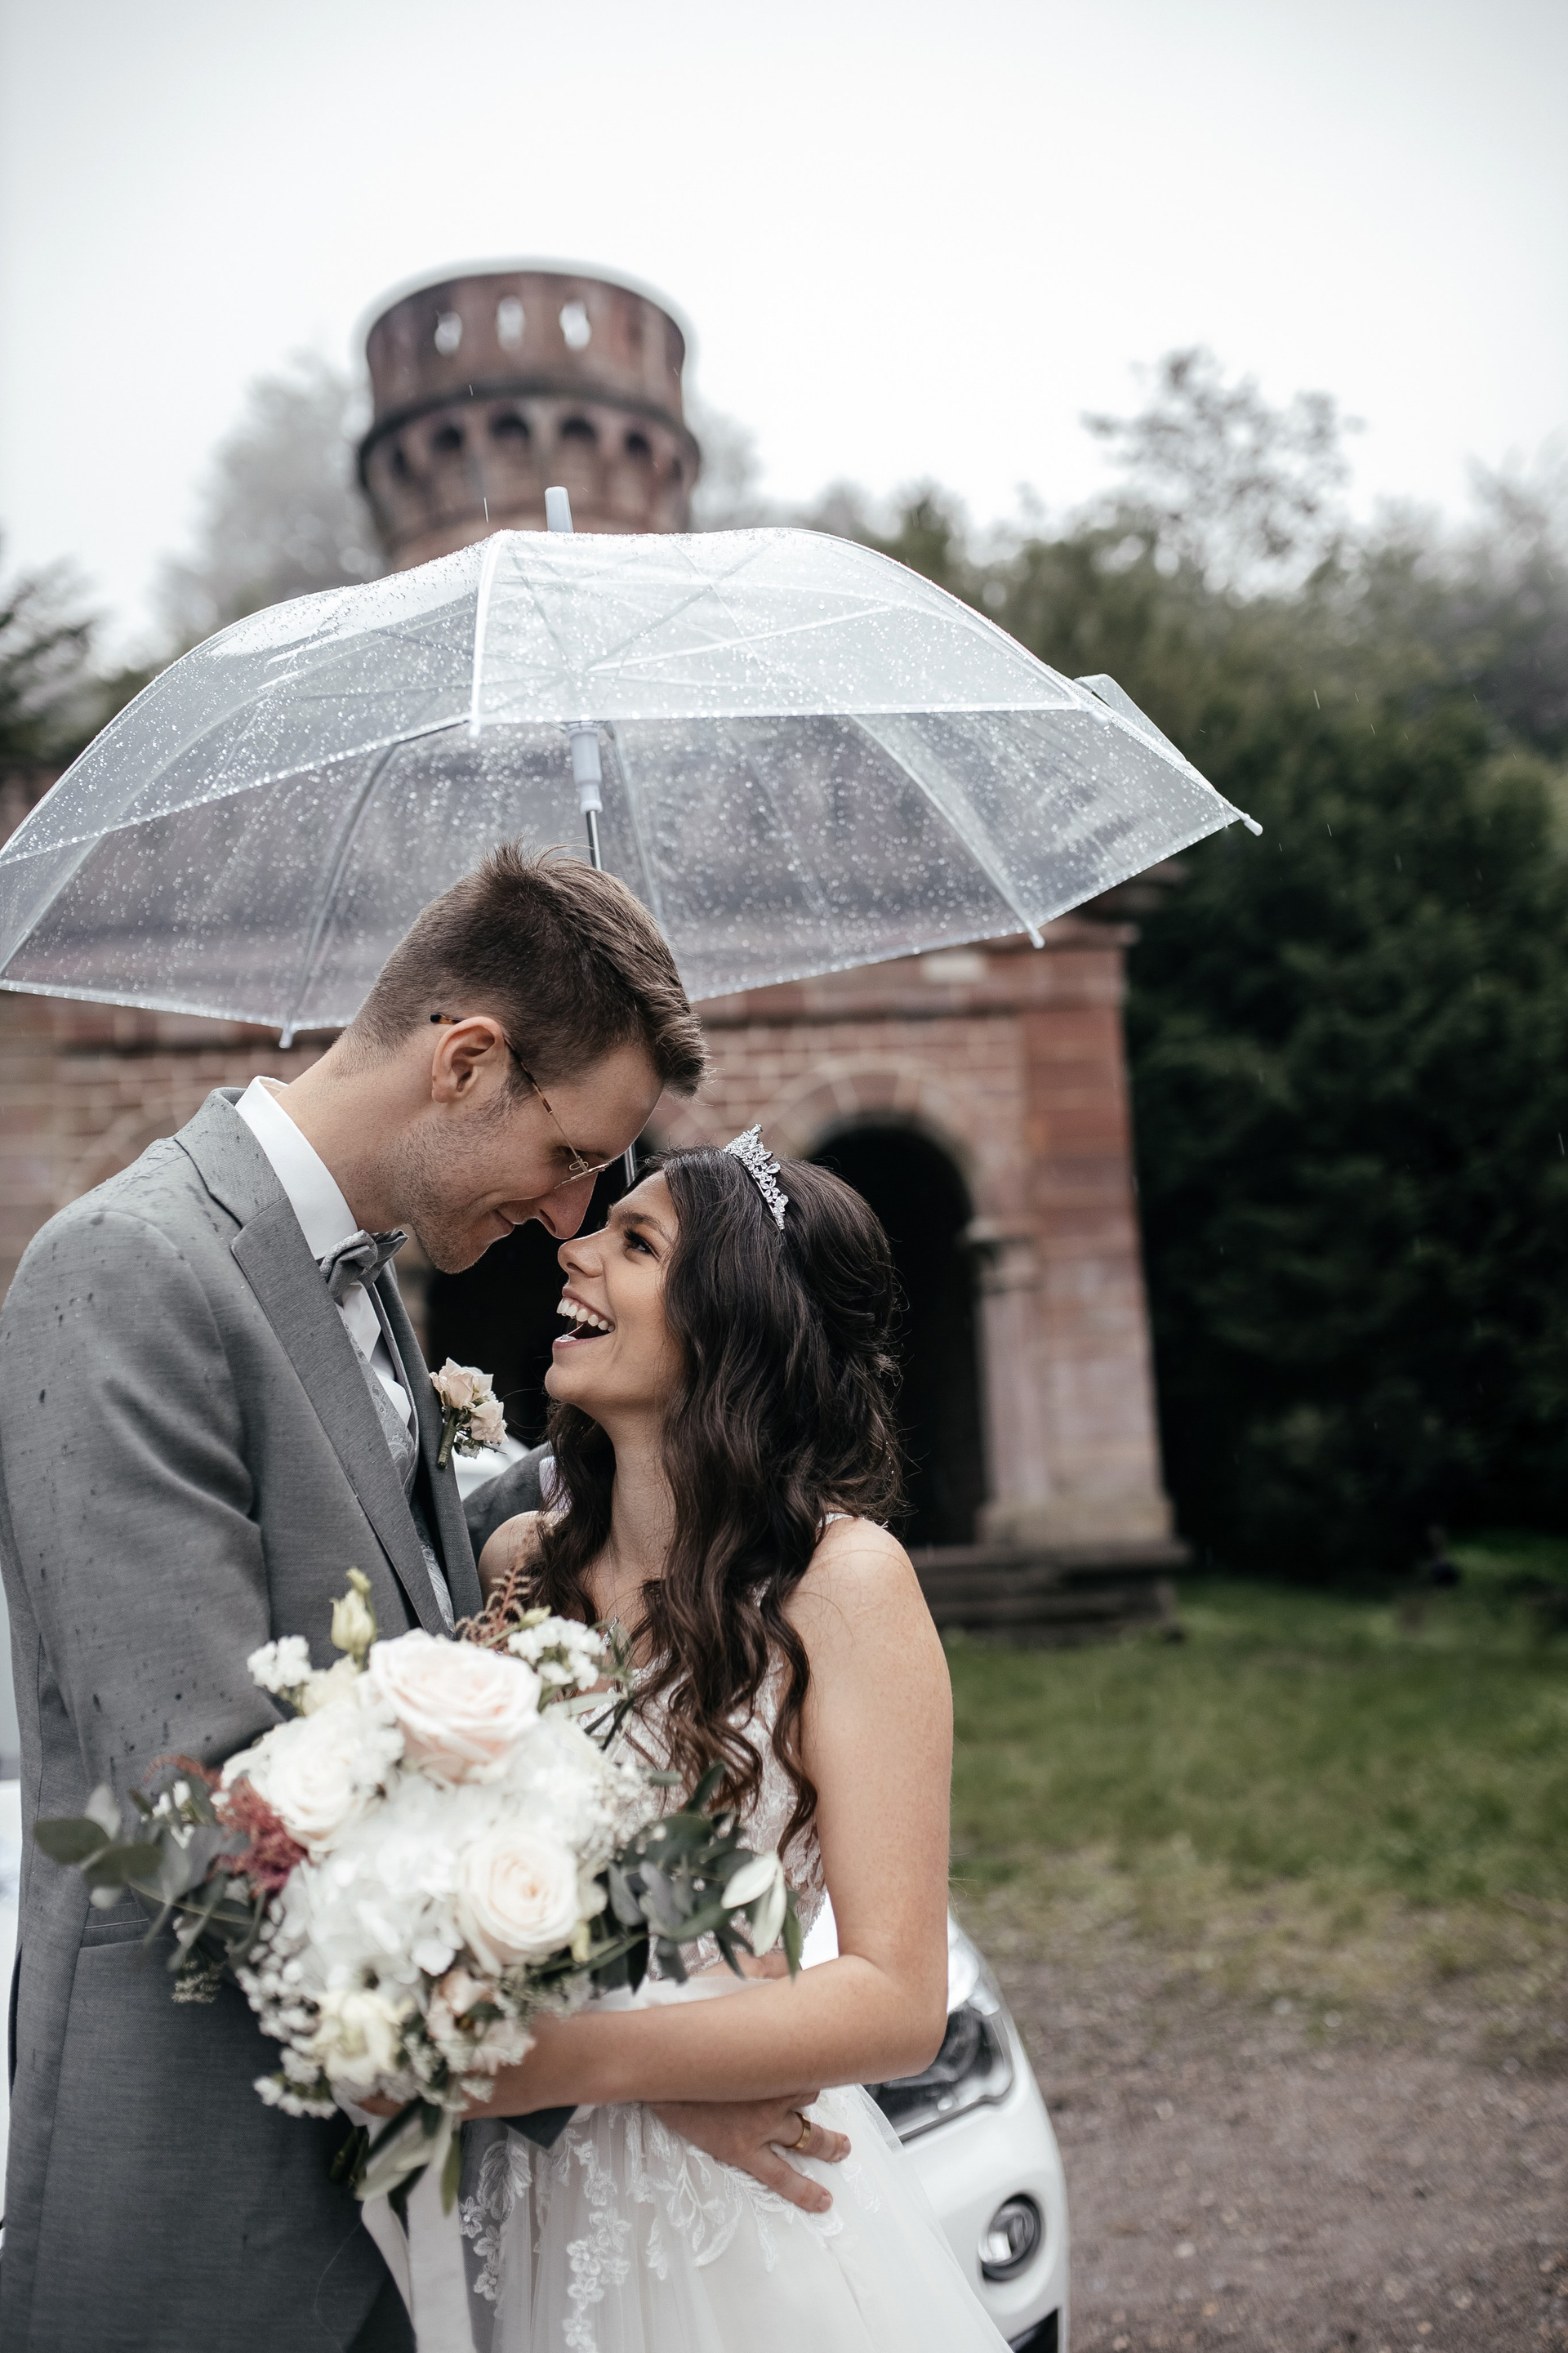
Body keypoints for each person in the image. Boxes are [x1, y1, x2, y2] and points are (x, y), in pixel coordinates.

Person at [0, 846, 708, 2353]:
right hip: (208, 2199)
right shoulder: (129, 1269)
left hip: (394, 2200)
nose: (572, 1214)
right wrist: (642, 2064)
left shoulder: (363, 1277)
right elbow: (206, 1797)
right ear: (467, 1061)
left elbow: (386, 1590)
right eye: (573, 1153)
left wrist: (656, 1470)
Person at [460, 1130, 1009, 2352]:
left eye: (635, 1242)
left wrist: (562, 2063)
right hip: (515, 2196)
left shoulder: (843, 1584)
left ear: (729, 1323)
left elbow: (896, 1999)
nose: (575, 1248)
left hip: (729, 2222)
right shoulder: (520, 1572)